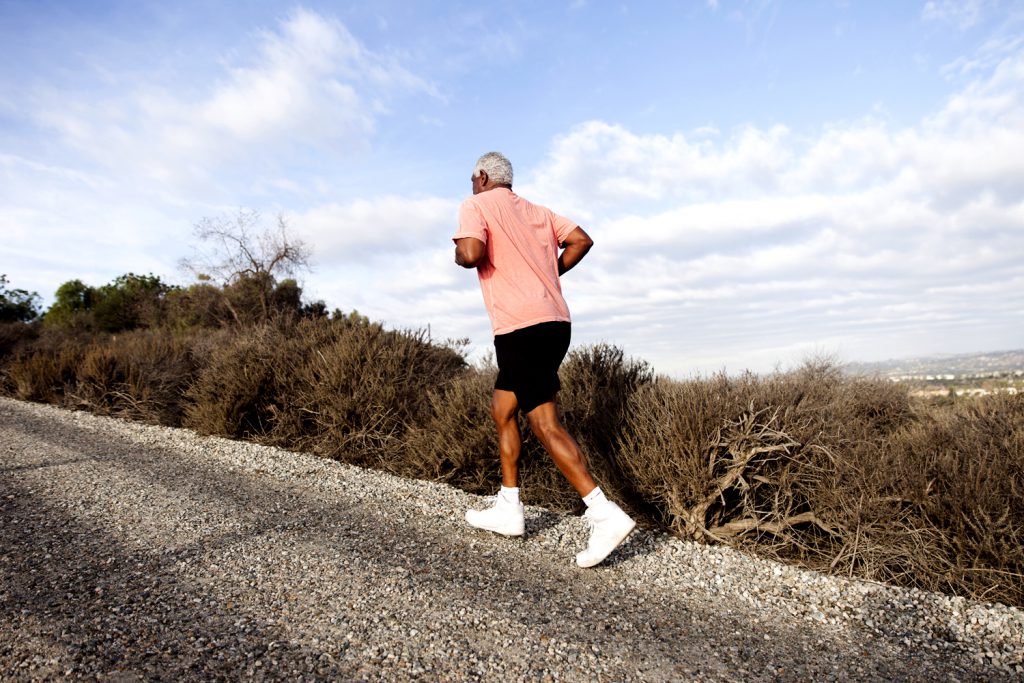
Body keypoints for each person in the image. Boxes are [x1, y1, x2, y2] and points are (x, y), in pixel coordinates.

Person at [452, 151, 635, 568]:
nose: (471, 184)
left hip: (520, 328)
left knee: (544, 422)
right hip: (555, 324)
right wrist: (549, 274)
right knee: (503, 407)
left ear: (481, 177)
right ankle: (509, 508)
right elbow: (581, 240)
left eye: (472, 178)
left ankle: (603, 514)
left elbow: (473, 253)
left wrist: (459, 253)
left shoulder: (474, 205)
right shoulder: (538, 211)